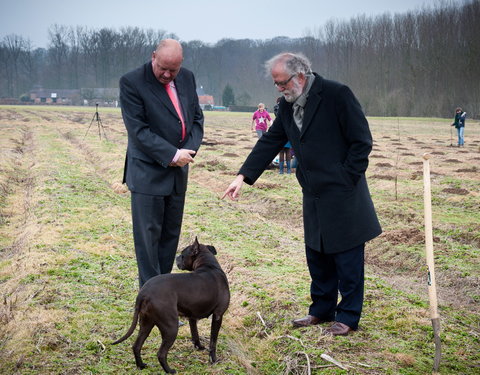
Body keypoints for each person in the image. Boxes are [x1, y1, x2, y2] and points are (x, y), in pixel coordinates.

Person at [223, 53, 382, 336]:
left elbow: (362, 141)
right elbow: (271, 141)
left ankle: (347, 316)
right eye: (275, 84)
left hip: (344, 193)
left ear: (299, 76)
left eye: (281, 83)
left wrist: (346, 178)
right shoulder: (286, 106)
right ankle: (321, 310)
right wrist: (242, 176)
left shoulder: (337, 94)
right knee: (317, 254)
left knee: (347, 258)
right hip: (312, 193)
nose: (279, 89)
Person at [120, 39, 204, 287]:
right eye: (163, 68)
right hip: (147, 173)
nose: (167, 74)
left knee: (169, 238)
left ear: (181, 64)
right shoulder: (132, 82)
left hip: (178, 175)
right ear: (153, 56)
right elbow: (138, 131)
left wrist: (189, 150)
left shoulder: (187, 78)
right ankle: (151, 298)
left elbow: (196, 118)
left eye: (173, 70)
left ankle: (163, 295)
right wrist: (172, 154)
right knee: (148, 242)